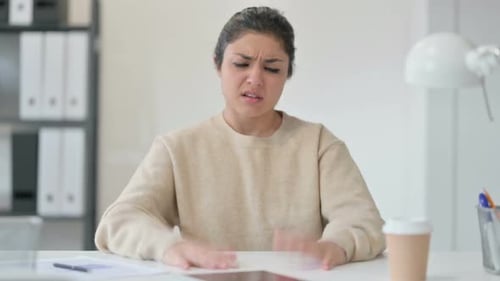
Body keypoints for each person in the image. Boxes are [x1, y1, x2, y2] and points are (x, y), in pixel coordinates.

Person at [95, 6, 385, 270]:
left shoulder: (319, 145)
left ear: (287, 75)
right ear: (218, 65)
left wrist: (333, 247)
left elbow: (364, 222)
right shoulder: (178, 148)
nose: (256, 79)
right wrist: (171, 247)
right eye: (241, 64)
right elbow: (120, 221)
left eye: (272, 68)